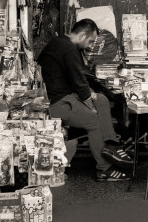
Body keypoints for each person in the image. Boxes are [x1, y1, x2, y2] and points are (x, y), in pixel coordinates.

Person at [36, 19, 131, 182]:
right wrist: (89, 103)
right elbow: (79, 83)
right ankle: (104, 169)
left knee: (101, 99)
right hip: (57, 102)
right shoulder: (69, 49)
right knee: (93, 121)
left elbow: (77, 81)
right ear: (81, 35)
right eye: (90, 40)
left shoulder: (61, 43)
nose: (91, 45)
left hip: (65, 95)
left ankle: (111, 144)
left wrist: (92, 96)